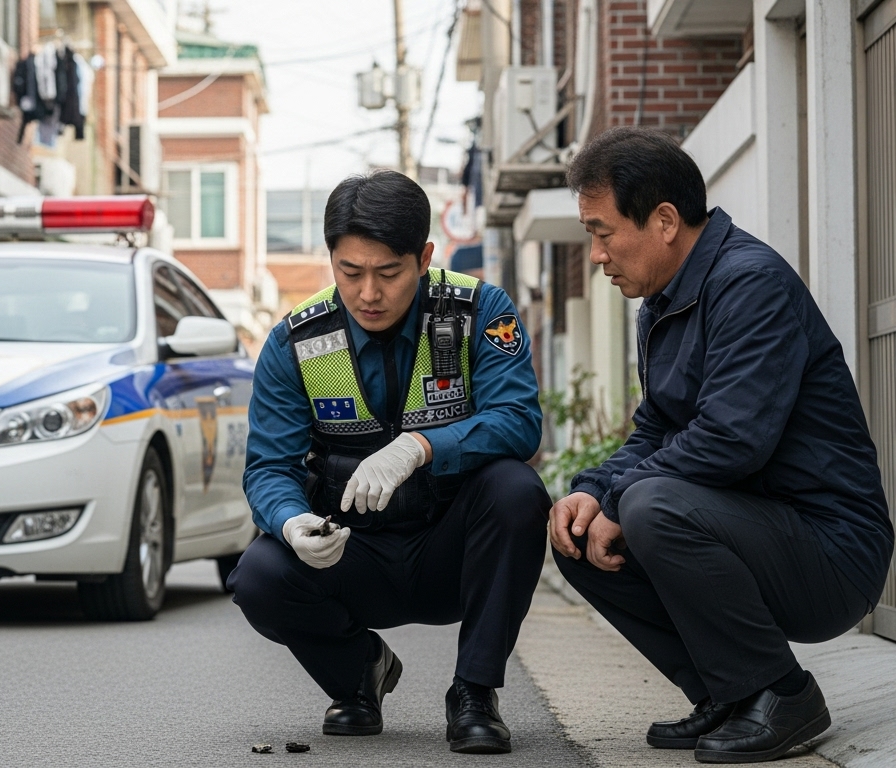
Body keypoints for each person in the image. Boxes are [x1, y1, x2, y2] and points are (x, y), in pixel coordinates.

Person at [550, 127, 893, 764]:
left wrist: (621, 499)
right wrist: (591, 491)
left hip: (831, 550)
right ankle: (727, 694)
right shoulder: (662, 301)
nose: (596, 253)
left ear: (664, 221)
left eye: (602, 232)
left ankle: (784, 694)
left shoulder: (750, 283)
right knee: (575, 534)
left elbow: (732, 441)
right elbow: (655, 428)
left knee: (649, 506)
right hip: (747, 529)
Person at [227, 169, 551, 755]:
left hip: (451, 550)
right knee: (258, 576)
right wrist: (289, 521)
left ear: (424, 257)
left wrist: (422, 446)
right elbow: (268, 468)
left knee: (517, 491)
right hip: (352, 555)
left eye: (389, 273)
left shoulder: (478, 311)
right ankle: (358, 674)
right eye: (350, 273)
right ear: (331, 261)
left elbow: (520, 420)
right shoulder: (298, 343)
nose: (368, 294)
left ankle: (474, 693)